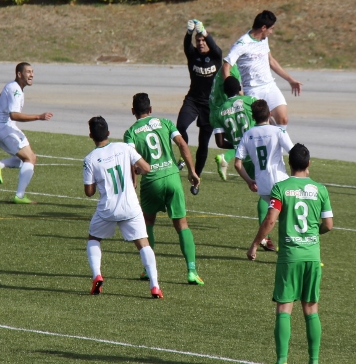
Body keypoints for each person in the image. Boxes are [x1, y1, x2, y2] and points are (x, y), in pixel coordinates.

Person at [247, 143, 333, 364]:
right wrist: (316, 233)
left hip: (290, 256)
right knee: (311, 307)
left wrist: (256, 244)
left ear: (289, 163)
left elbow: (271, 220)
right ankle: (313, 361)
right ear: (309, 164)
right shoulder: (320, 190)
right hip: (312, 256)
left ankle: (282, 360)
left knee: (285, 306)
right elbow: (329, 225)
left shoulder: (281, 188)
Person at [124, 92, 205, 285]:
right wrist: (192, 171)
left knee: (148, 223)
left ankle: (147, 269)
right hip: (172, 178)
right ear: (151, 109)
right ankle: (191, 270)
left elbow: (131, 159)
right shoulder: (165, 123)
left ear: (133, 111)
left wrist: (133, 181)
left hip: (152, 180)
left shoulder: (131, 133)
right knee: (182, 225)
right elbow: (182, 143)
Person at [83, 116, 163, 299]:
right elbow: (146, 168)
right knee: (143, 244)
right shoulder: (124, 147)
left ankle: (97, 275)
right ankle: (155, 286)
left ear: (91, 136)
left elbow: (89, 192)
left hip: (107, 209)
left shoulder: (90, 159)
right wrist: (136, 171)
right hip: (131, 207)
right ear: (109, 133)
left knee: (93, 238)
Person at [222, 10, 303, 131]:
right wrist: (232, 92)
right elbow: (226, 66)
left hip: (269, 86)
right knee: (267, 126)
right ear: (263, 28)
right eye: (271, 29)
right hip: (253, 91)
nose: (272, 32)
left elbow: (271, 60)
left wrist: (290, 80)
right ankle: (273, 147)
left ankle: (278, 146)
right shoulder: (242, 43)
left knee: (283, 119)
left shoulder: (264, 39)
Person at [0, 62, 53, 204]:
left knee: (29, 158)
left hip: (3, 128)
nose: (32, 75)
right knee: (30, 159)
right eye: (28, 72)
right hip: (5, 128)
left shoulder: (14, 87)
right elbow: (14, 115)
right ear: (19, 74)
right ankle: (20, 196)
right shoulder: (15, 89)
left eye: (32, 72)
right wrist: (39, 117)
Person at [234, 99, 294, 252]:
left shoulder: (248, 135)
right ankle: (290, 250)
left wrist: (248, 181)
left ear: (253, 117)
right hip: (280, 183)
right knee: (289, 218)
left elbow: (237, 163)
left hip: (263, 186)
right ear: (269, 113)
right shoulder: (278, 131)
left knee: (277, 216)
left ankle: (262, 243)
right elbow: (293, 153)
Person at [176, 19, 222, 177]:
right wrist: (189, 33)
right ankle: (184, 154)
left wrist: (204, 32)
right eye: (198, 40)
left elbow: (215, 47)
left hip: (209, 105)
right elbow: (186, 45)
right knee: (180, 127)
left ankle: (197, 175)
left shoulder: (216, 56)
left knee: (203, 143)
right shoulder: (192, 54)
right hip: (193, 100)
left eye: (203, 40)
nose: (201, 43)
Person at [209, 61, 241, 181]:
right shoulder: (233, 70)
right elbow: (235, 91)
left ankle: (226, 158)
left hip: (214, 112)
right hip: (223, 112)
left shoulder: (223, 68)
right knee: (246, 140)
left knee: (240, 142)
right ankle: (226, 157)